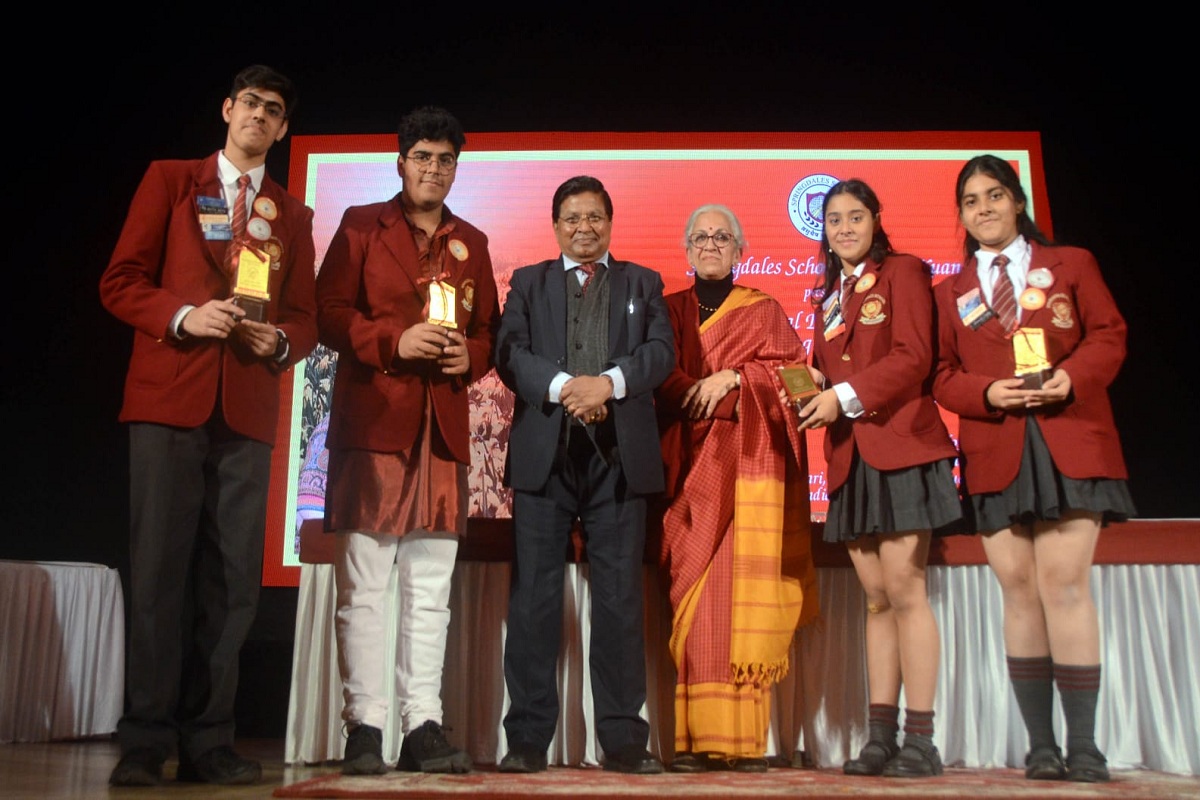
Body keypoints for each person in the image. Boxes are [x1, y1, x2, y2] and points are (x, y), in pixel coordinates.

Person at [99, 64, 317, 787]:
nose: (260, 115)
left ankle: (209, 739)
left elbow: (305, 320)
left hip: (247, 407)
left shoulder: (292, 214)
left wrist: (277, 342)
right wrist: (187, 317)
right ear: (227, 110)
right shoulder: (171, 180)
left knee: (231, 586)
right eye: (250, 103)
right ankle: (143, 740)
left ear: (284, 130)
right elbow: (121, 280)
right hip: (170, 399)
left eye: (274, 110)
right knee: (160, 572)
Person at [933, 155, 1135, 783]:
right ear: (962, 215)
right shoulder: (952, 290)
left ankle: (1085, 746)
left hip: (1072, 439)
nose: (984, 208)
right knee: (1018, 592)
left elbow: (1109, 333)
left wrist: (1071, 378)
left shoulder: (1071, 264)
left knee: (1065, 585)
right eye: (971, 200)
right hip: (997, 448)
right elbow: (941, 375)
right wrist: (987, 396)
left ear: (1017, 202)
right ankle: (1041, 746)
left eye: (995, 195)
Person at [315, 106, 499, 776]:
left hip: (441, 431)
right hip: (374, 425)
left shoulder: (471, 240)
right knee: (365, 586)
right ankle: (365, 725)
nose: (433, 168)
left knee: (430, 590)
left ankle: (423, 724)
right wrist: (393, 340)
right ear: (401, 162)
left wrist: (469, 357)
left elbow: (489, 330)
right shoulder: (363, 224)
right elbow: (328, 313)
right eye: (423, 156)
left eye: (446, 159)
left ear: (456, 167)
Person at [493, 175, 674, 774]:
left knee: (620, 602)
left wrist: (609, 384)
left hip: (618, 459)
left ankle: (623, 740)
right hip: (546, 457)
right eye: (572, 218)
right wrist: (566, 388)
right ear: (555, 227)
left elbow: (659, 354)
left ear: (610, 223)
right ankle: (525, 740)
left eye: (594, 217)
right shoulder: (527, 281)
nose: (584, 228)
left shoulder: (644, 283)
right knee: (534, 600)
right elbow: (510, 352)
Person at [794, 180, 962, 778]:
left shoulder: (906, 272)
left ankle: (922, 740)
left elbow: (915, 356)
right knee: (875, 600)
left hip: (903, 447)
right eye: (834, 220)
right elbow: (833, 369)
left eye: (855, 217)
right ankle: (881, 736)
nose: (843, 228)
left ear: (875, 220)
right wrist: (811, 385)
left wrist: (843, 395)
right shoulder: (826, 297)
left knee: (906, 589)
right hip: (850, 457)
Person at [654, 204, 819, 773]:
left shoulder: (766, 311)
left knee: (733, 600)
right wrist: (702, 386)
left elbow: (797, 378)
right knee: (695, 606)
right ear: (686, 248)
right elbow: (658, 376)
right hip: (685, 470)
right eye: (700, 235)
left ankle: (743, 742)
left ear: (740, 248)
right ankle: (696, 738)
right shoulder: (667, 309)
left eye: (722, 236)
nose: (710, 244)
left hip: (746, 474)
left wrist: (737, 377)